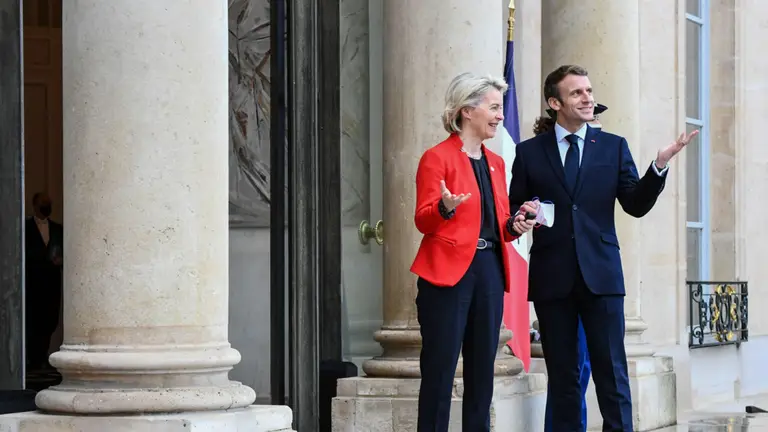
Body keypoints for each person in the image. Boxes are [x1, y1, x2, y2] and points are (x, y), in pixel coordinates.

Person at [509, 65, 696, 431]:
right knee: (563, 378)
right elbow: (515, 208)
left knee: (612, 374)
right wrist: (521, 217)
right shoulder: (529, 152)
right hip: (552, 277)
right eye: (577, 92)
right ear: (555, 103)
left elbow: (635, 205)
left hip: (602, 276)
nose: (588, 98)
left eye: (589, 91)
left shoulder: (613, 146)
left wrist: (658, 166)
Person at [410, 72, 536, 432]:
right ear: (467, 111)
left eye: (500, 108)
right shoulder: (436, 158)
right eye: (493, 107)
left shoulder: (496, 162)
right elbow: (423, 220)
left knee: (482, 370)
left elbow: (499, 221)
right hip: (447, 275)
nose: (500, 115)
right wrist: (445, 207)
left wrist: (516, 224)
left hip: (490, 270)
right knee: (440, 369)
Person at [533, 102, 607, 432]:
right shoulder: (542, 160)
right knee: (569, 369)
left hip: (593, 277)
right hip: (558, 277)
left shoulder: (599, 156)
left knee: (583, 366)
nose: (595, 124)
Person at [25, 192, 64, 371]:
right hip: (32, 282)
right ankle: (33, 359)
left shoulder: (57, 229)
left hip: (52, 283)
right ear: (35, 206)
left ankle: (42, 356)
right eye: (43, 204)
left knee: (50, 320)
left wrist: (60, 261)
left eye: (48, 204)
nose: (46, 207)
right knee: (33, 321)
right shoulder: (25, 227)